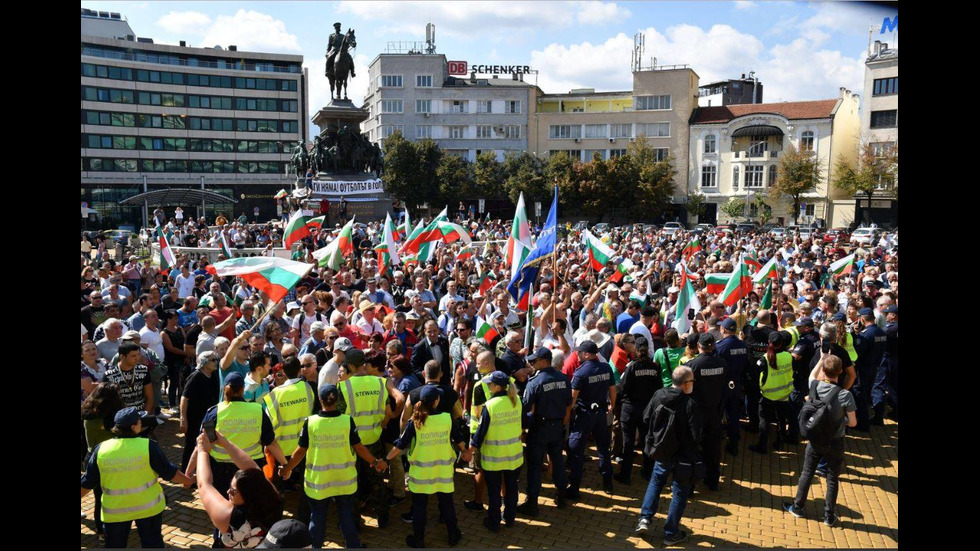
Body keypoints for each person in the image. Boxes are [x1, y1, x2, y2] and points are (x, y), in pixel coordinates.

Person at [280, 383, 387, 549]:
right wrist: (375, 462)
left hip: (319, 482)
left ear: (320, 400)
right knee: (346, 517)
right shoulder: (347, 421)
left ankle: (315, 547)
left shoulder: (311, 422)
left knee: (317, 517)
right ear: (337, 400)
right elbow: (359, 448)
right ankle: (353, 546)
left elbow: (300, 451)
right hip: (344, 481)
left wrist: (287, 468)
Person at [81, 407, 195, 548]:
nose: (142, 423)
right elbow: (170, 474)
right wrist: (189, 480)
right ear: (134, 427)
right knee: (152, 544)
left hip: (115, 512)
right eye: (139, 421)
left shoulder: (101, 449)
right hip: (149, 509)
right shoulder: (148, 446)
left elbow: (87, 483)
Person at [385, 386, 466, 548]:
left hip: (421, 473)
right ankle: (452, 535)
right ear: (436, 401)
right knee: (447, 504)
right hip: (443, 472)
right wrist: (467, 452)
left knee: (420, 506)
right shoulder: (447, 419)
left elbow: (400, 445)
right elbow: (460, 441)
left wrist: (384, 459)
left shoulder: (415, 422)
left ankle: (419, 538)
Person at [784, 355, 856, 526]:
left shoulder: (814, 386)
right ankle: (829, 516)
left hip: (815, 439)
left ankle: (798, 506)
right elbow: (853, 422)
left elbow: (811, 375)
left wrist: (821, 359)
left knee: (807, 473)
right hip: (836, 441)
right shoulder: (845, 395)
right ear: (840, 372)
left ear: (823, 370)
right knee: (832, 478)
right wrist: (840, 421)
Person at [633, 366, 701, 546]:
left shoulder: (658, 395)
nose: (693, 384)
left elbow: (646, 417)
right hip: (682, 456)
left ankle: (644, 519)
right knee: (679, 491)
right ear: (685, 383)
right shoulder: (690, 404)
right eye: (692, 381)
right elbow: (695, 435)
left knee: (656, 482)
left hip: (661, 451)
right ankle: (671, 533)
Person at [194, 431, 284, 548]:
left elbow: (204, 485)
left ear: (248, 495)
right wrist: (225, 443)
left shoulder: (231, 517)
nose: (228, 492)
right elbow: (254, 471)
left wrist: (202, 451)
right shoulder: (274, 501)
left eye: (233, 490)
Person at [336, 349, 392, 528]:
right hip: (374, 439)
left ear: (350, 365)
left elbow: (338, 416)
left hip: (352, 443)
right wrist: (379, 427)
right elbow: (389, 413)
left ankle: (354, 523)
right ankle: (383, 518)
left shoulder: (344, 386)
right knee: (377, 479)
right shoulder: (380, 382)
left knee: (353, 482)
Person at [466, 371, 523, 533]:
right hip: (514, 455)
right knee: (512, 488)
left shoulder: (490, 406)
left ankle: (494, 521)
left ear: (497, 387)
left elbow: (481, 432)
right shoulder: (516, 400)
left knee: (494, 491)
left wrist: (470, 450)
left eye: (490, 383)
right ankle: (510, 518)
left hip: (494, 458)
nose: (488, 385)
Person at [517, 348, 572, 516]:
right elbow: (568, 403)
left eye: (534, 361)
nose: (532, 364)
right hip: (557, 427)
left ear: (544, 361)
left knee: (534, 465)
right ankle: (562, 496)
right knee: (557, 461)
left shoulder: (535, 382)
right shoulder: (563, 379)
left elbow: (525, 406)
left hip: (540, 428)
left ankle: (532, 503)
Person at [567, 341, 616, 498]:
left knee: (576, 449)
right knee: (603, 448)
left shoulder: (580, 372)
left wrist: (567, 415)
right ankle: (607, 482)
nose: (577, 355)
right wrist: (612, 406)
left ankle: (574, 487)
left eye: (579, 353)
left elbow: (572, 399)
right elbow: (612, 390)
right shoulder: (606, 368)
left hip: (585, 415)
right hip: (601, 414)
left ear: (586, 354)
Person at [263, 356, 316, 497]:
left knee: (278, 488)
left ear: (284, 373)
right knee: (305, 483)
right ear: (300, 370)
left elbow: (268, 421)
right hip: (303, 445)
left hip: (281, 447)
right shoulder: (307, 388)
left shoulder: (275, 394)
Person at [614, 336, 662, 484]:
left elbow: (622, 388)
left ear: (636, 349)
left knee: (628, 443)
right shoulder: (654, 367)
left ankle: (625, 475)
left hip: (630, 409)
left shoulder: (632, 367)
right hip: (647, 410)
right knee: (647, 440)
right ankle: (647, 472)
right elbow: (658, 389)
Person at [685, 333, 728, 490]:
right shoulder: (722, 363)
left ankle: (689, 485)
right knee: (713, 448)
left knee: (692, 447)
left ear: (698, 346)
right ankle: (712, 481)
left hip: (696, 413)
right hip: (714, 412)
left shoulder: (693, 365)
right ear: (714, 346)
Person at [750, 331, 795, 454]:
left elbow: (755, 373)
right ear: (781, 343)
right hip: (784, 394)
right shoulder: (788, 355)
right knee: (781, 419)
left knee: (765, 421)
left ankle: (762, 445)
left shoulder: (764, 359)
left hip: (768, 395)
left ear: (769, 343)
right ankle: (779, 443)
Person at [179, 351, 220, 471]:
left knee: (210, 442)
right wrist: (183, 419)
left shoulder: (213, 376)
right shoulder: (195, 377)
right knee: (191, 445)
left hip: (208, 419)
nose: (216, 362)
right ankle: (187, 473)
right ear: (204, 362)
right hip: (195, 419)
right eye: (213, 360)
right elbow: (184, 398)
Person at [715, 318, 749, 456]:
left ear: (723, 329)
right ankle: (734, 443)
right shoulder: (743, 345)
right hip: (736, 383)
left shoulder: (720, 347)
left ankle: (717, 442)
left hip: (722, 385)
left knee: (718, 413)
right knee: (734, 414)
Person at [872, 304, 898, 424]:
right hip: (895, 359)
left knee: (879, 386)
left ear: (894, 316)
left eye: (888, 314)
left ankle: (878, 416)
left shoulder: (890, 329)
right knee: (893, 386)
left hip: (886, 359)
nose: (886, 316)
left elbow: (878, 336)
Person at [412, 320, 452, 385]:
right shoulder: (419, 347)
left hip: (444, 383)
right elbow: (414, 368)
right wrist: (427, 377)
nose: (432, 334)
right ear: (425, 332)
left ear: (438, 330)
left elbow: (446, 363)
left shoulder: (444, 342)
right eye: (429, 332)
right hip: (428, 384)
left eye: (434, 331)